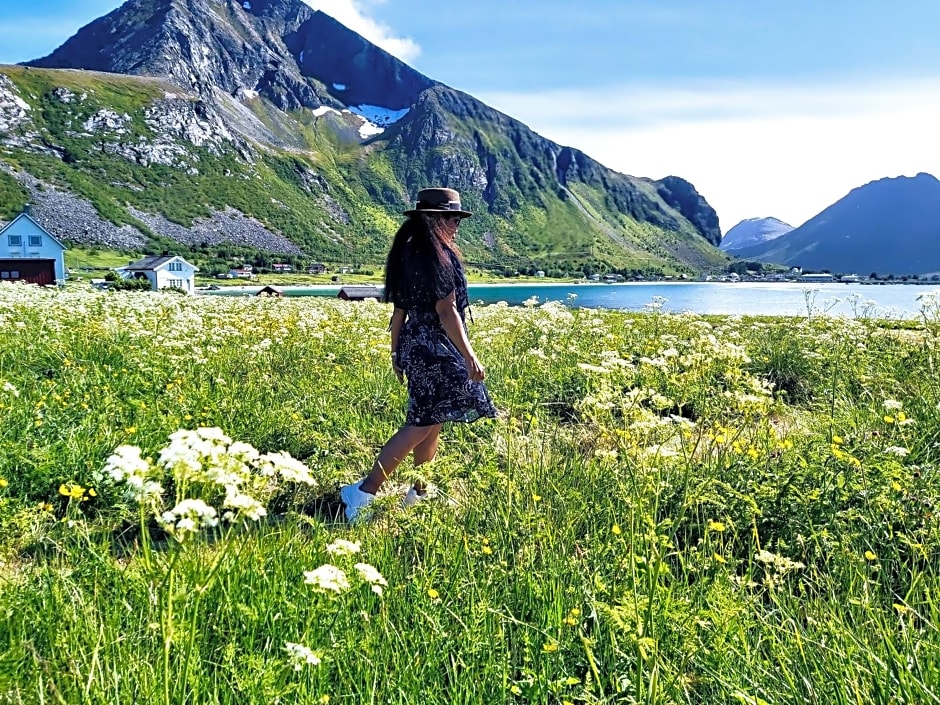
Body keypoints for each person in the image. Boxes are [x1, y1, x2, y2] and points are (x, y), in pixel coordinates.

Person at [340, 187, 497, 523]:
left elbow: (399, 313)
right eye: (452, 217)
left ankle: (420, 491)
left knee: (432, 419)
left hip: (416, 346)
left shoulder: (407, 253)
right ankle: (364, 493)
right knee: (421, 423)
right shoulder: (439, 254)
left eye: (458, 218)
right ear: (434, 219)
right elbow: (447, 310)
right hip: (437, 350)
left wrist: (396, 353)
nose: (456, 224)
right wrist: (469, 355)